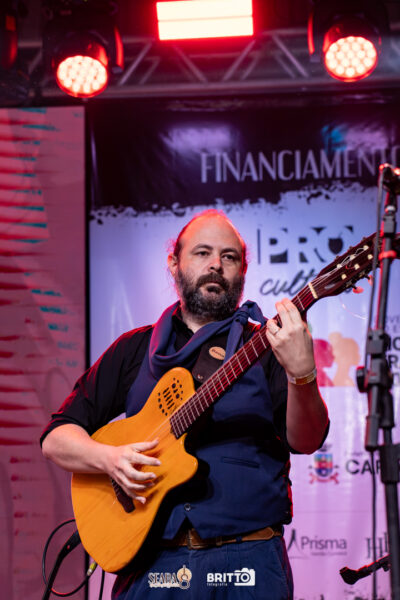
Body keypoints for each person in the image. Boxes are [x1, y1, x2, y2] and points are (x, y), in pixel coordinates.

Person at [41, 209, 329, 600]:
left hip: (247, 561)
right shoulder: (134, 349)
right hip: (152, 567)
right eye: (202, 252)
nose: (216, 264)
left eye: (229, 256)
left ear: (243, 270)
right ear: (173, 263)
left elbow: (307, 440)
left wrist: (302, 374)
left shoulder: (267, 346)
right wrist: (110, 459)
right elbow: (57, 437)